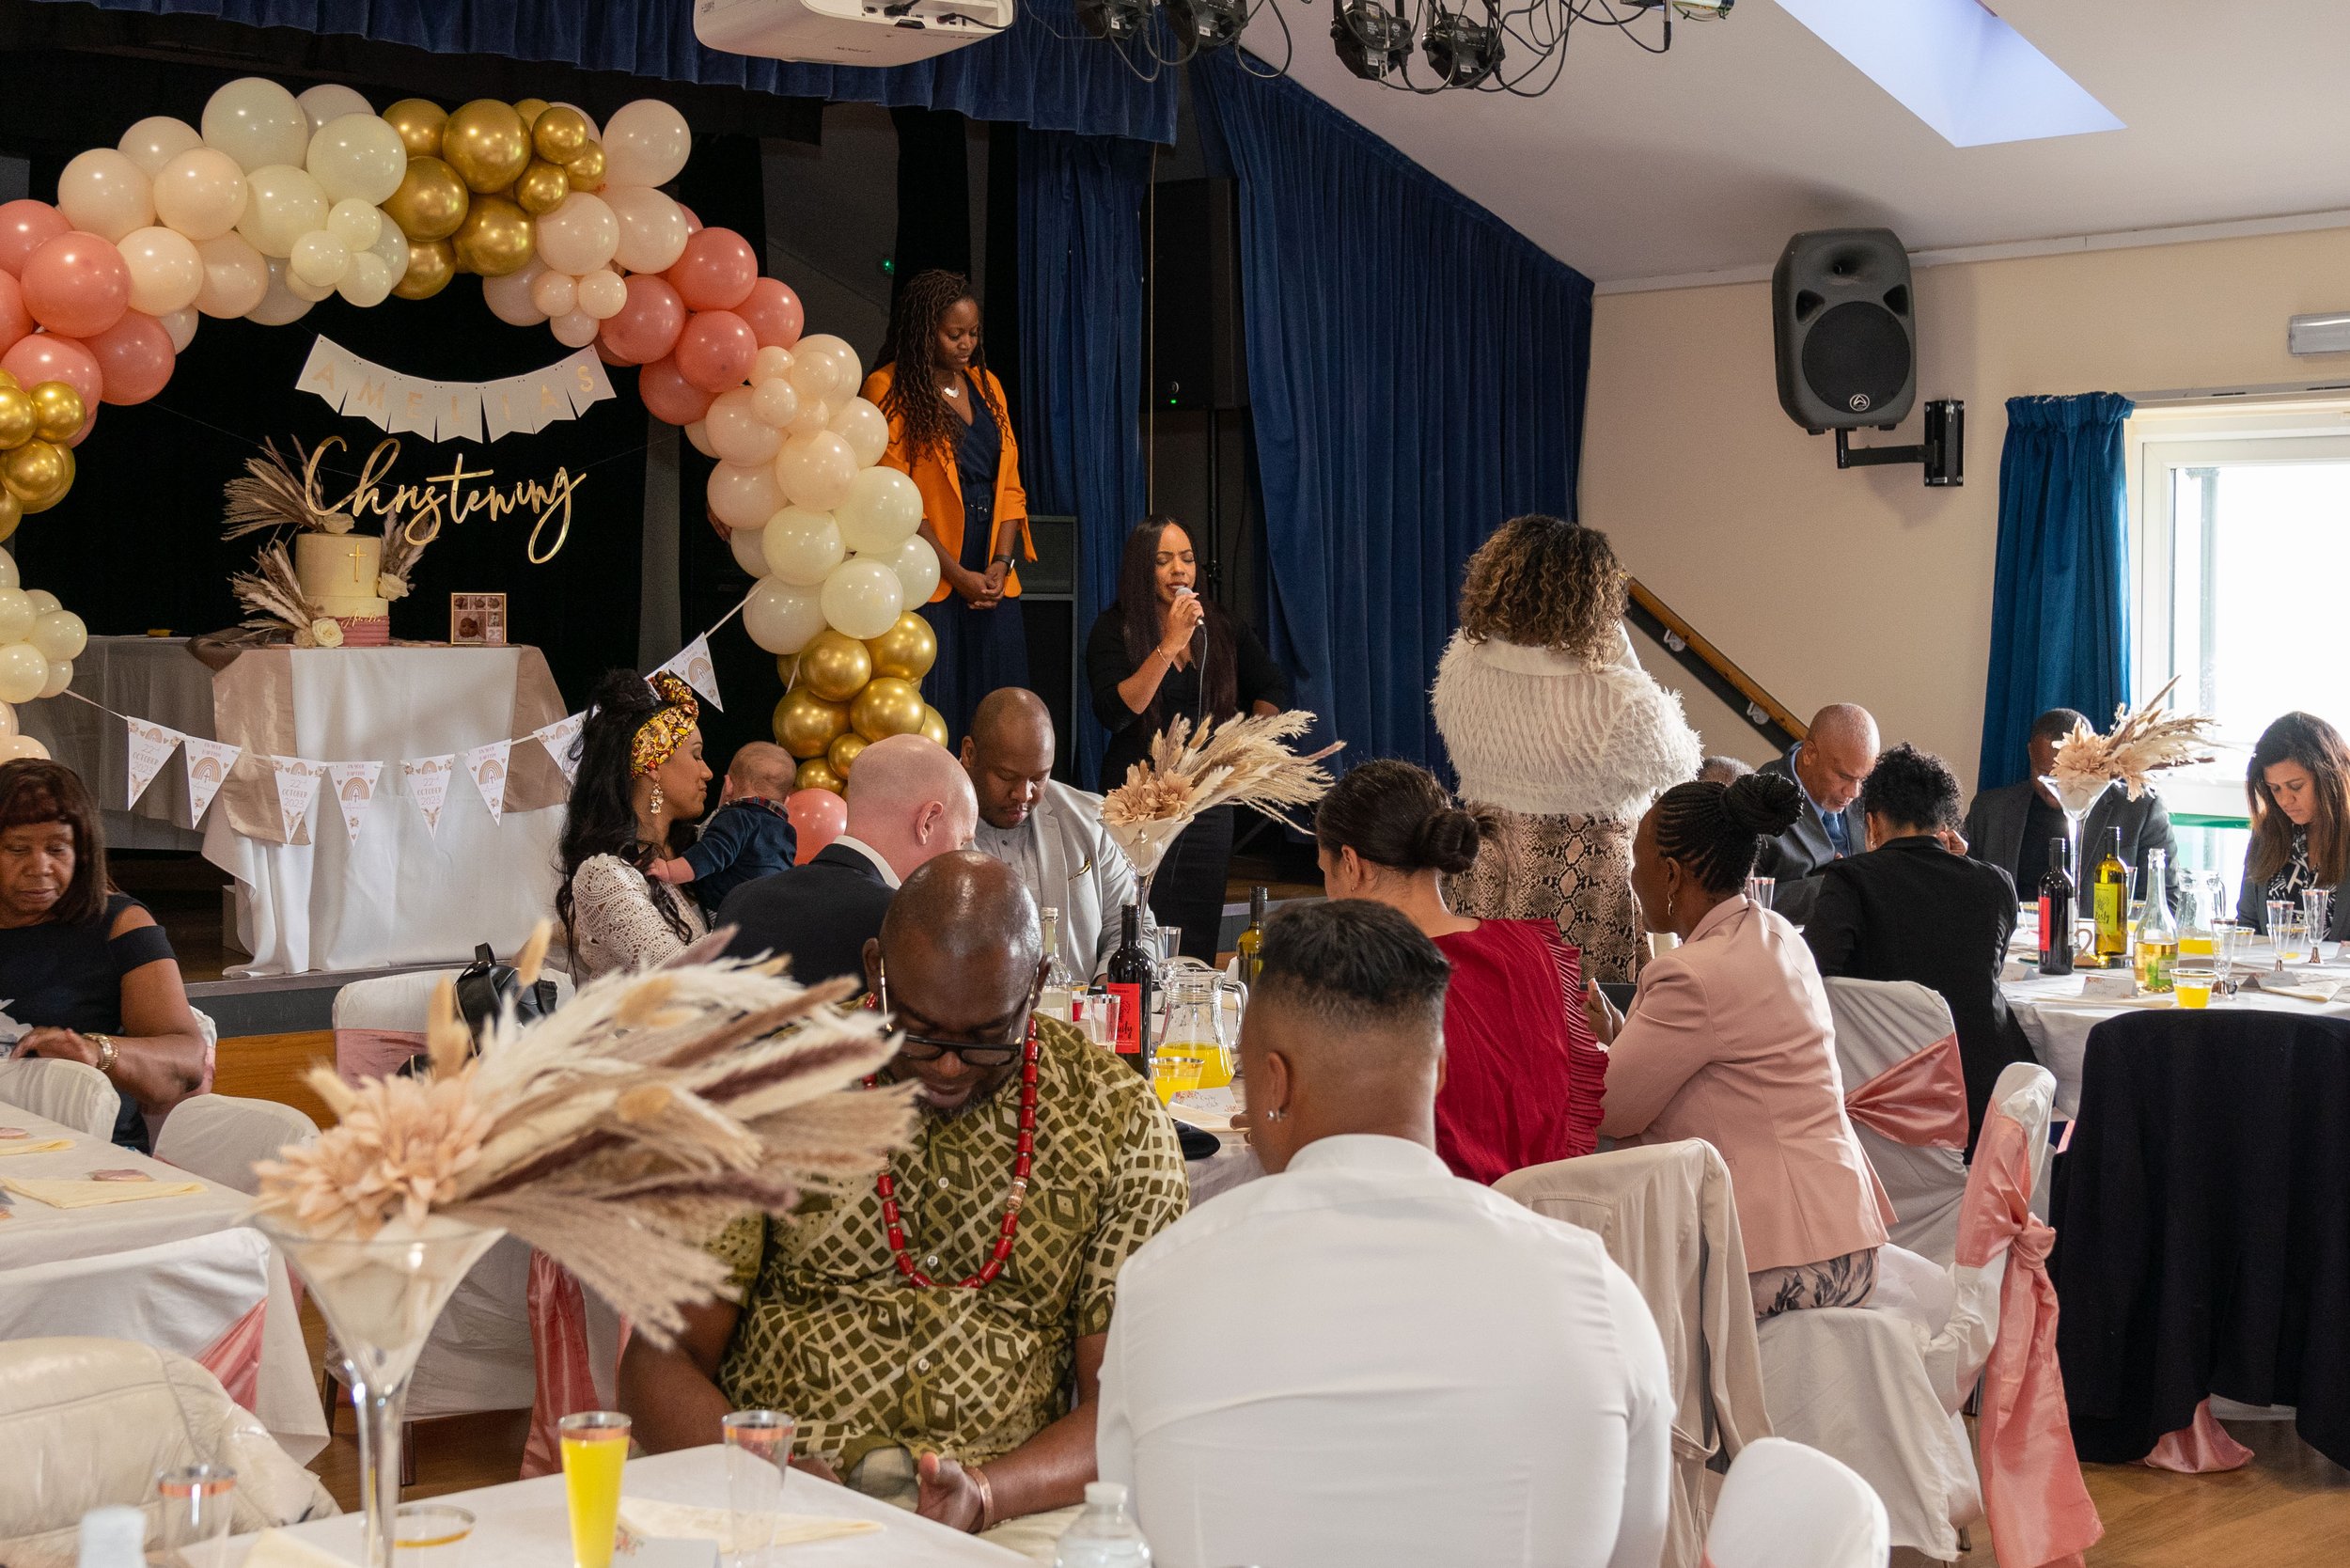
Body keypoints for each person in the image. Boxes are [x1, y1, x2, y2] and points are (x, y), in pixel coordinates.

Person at [620, 853, 1186, 1561]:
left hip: (1009, 1508)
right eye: (916, 1031)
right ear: (875, 969)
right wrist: (766, 1473)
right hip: (769, 1494)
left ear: (1036, 986)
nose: (947, 1066)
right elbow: (660, 1362)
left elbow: (1129, 1405)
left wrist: (987, 1493)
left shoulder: (1115, 1117)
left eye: (985, 1041)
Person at [1097, 900, 1672, 1568]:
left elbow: (1118, 1532)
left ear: (1274, 1082)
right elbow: (1640, 1547)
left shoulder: (1162, 1286)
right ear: (1441, 1068)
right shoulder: (1598, 1294)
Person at [1589, 773, 1891, 1318]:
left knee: (1600, 1298)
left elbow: (1611, 1109)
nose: (1632, 878)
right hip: (1845, 1236)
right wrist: (1620, 1039)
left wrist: (1581, 1048)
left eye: (1637, 862)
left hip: (1782, 1256)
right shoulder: (1777, 933)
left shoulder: (1691, 973)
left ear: (1671, 874)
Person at [1433, 515, 1700, 983]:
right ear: (1594, 601)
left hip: (1486, 871)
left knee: (1496, 1006)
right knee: (1582, 1021)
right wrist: (1624, 658)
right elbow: (1680, 768)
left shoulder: (1459, 662)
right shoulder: (1618, 698)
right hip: (1586, 887)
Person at [1314, 759, 1606, 1183]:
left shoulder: (1365, 980)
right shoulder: (1534, 949)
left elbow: (1357, 1143)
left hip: (1437, 1214)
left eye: (1325, 874)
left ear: (1351, 864)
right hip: (1552, 1209)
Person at [1806, 745, 2030, 1147]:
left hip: (1889, 1099)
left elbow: (1811, 974)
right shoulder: (1996, 883)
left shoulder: (1851, 880)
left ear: (1872, 823)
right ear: (1943, 823)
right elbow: (1984, 967)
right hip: (1988, 1105)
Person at [1086, 517, 1289, 961]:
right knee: (1137, 927)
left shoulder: (1220, 626)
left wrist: (1245, 748)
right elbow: (1117, 712)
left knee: (1196, 929)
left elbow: (1272, 686)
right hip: (1138, 800)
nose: (1179, 569)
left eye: (1187, 558)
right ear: (1142, 569)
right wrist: (1170, 643)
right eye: (1163, 560)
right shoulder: (1114, 629)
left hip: (1205, 803)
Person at [861, 270, 1031, 742]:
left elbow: (1010, 487)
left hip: (990, 566)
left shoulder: (988, 386)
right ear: (923, 331)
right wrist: (956, 574)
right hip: (930, 568)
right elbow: (897, 500)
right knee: (939, 707)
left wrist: (1000, 563)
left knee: (999, 711)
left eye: (973, 333)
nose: (966, 345)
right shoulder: (887, 388)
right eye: (954, 334)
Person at [0, 760, 205, 1150]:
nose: (40, 868)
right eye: (18, 849)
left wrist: (98, 1051)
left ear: (83, 853)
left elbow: (187, 1062)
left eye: (57, 849)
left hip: (89, 1154)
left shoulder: (119, 925)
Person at [715, 734, 977, 984]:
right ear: (927, 822)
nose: (962, 856)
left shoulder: (740, 900)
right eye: (962, 842)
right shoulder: (911, 928)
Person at [960, 688, 1152, 976]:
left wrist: (1104, 992)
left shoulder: (1090, 819)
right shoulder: (931, 827)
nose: (1024, 794)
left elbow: (1135, 930)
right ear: (969, 753)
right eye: (1006, 776)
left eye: (1038, 778)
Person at [556, 671, 712, 980]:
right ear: (653, 765)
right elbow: (677, 976)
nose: (707, 772)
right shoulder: (603, 874)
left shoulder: (698, 849)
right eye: (696, 756)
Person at [1962, 707, 2180, 909]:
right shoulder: (1990, 810)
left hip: (2102, 939)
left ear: (2093, 757)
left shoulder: (2140, 810)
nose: (2056, 785)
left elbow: (2165, 902)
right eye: (2044, 773)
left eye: (2067, 772)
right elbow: (1967, 896)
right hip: (2013, 938)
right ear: (2030, 753)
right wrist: (1954, 859)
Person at [1753, 704, 1879, 925]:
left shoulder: (1872, 792)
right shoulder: (1759, 801)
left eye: (1863, 778)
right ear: (1810, 754)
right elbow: (1749, 902)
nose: (1854, 792)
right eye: (1844, 777)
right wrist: (1832, 886)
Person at [2235, 711, 2350, 940]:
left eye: (2296, 786)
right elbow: (2248, 925)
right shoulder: (2267, 834)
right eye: (2275, 788)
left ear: (2329, 777)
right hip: (2272, 965)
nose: (2285, 800)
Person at [649, 742, 798, 911]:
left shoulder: (738, 818)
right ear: (786, 801)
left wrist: (670, 870)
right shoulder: (787, 832)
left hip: (734, 909)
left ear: (729, 785)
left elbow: (710, 853)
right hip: (772, 910)